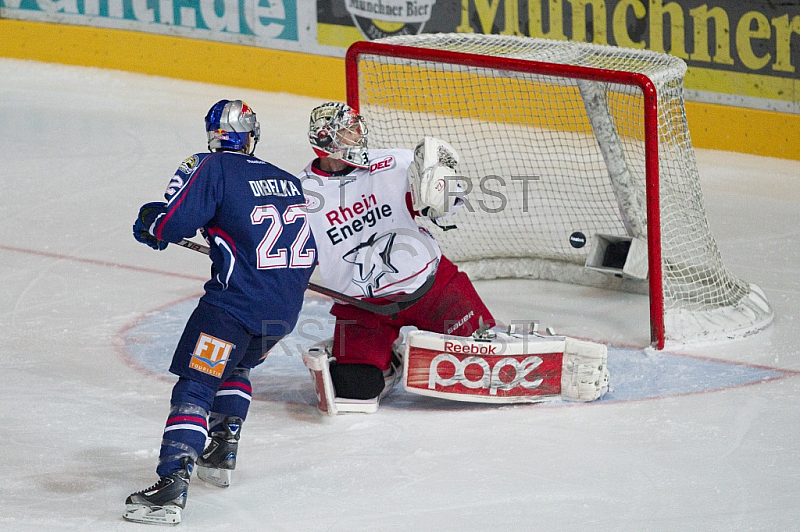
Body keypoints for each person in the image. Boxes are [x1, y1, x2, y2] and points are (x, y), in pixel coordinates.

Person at [125, 100, 316, 525]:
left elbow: (174, 223)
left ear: (213, 134)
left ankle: (171, 486)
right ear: (252, 135)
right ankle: (222, 447)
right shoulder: (287, 180)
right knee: (235, 367)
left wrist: (150, 222)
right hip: (282, 313)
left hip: (232, 309)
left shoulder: (211, 166)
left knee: (196, 385)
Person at [298, 102, 494, 412]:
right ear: (327, 142)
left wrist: (445, 193)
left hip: (431, 288)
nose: (359, 134)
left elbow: (449, 206)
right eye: (349, 131)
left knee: (480, 361)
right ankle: (390, 361)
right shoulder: (302, 195)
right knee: (352, 390)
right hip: (363, 309)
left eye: (357, 126)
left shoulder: (394, 163)